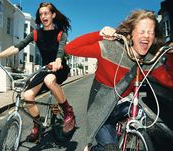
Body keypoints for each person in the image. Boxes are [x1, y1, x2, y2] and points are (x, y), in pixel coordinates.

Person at [64, 10, 173, 151]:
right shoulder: (110, 48)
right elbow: (70, 48)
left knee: (150, 128)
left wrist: (170, 56)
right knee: (110, 147)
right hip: (101, 109)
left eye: (150, 32)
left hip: (124, 106)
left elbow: (170, 82)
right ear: (131, 34)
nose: (146, 35)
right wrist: (100, 34)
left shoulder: (150, 61)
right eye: (141, 31)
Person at [0, 2, 75, 142]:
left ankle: (69, 112)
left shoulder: (60, 33)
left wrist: (58, 60)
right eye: (41, 14)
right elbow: (17, 47)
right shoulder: (36, 33)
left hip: (59, 68)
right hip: (45, 68)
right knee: (27, 94)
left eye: (46, 13)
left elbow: (61, 50)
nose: (43, 16)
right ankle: (37, 124)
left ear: (53, 15)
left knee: (49, 80)